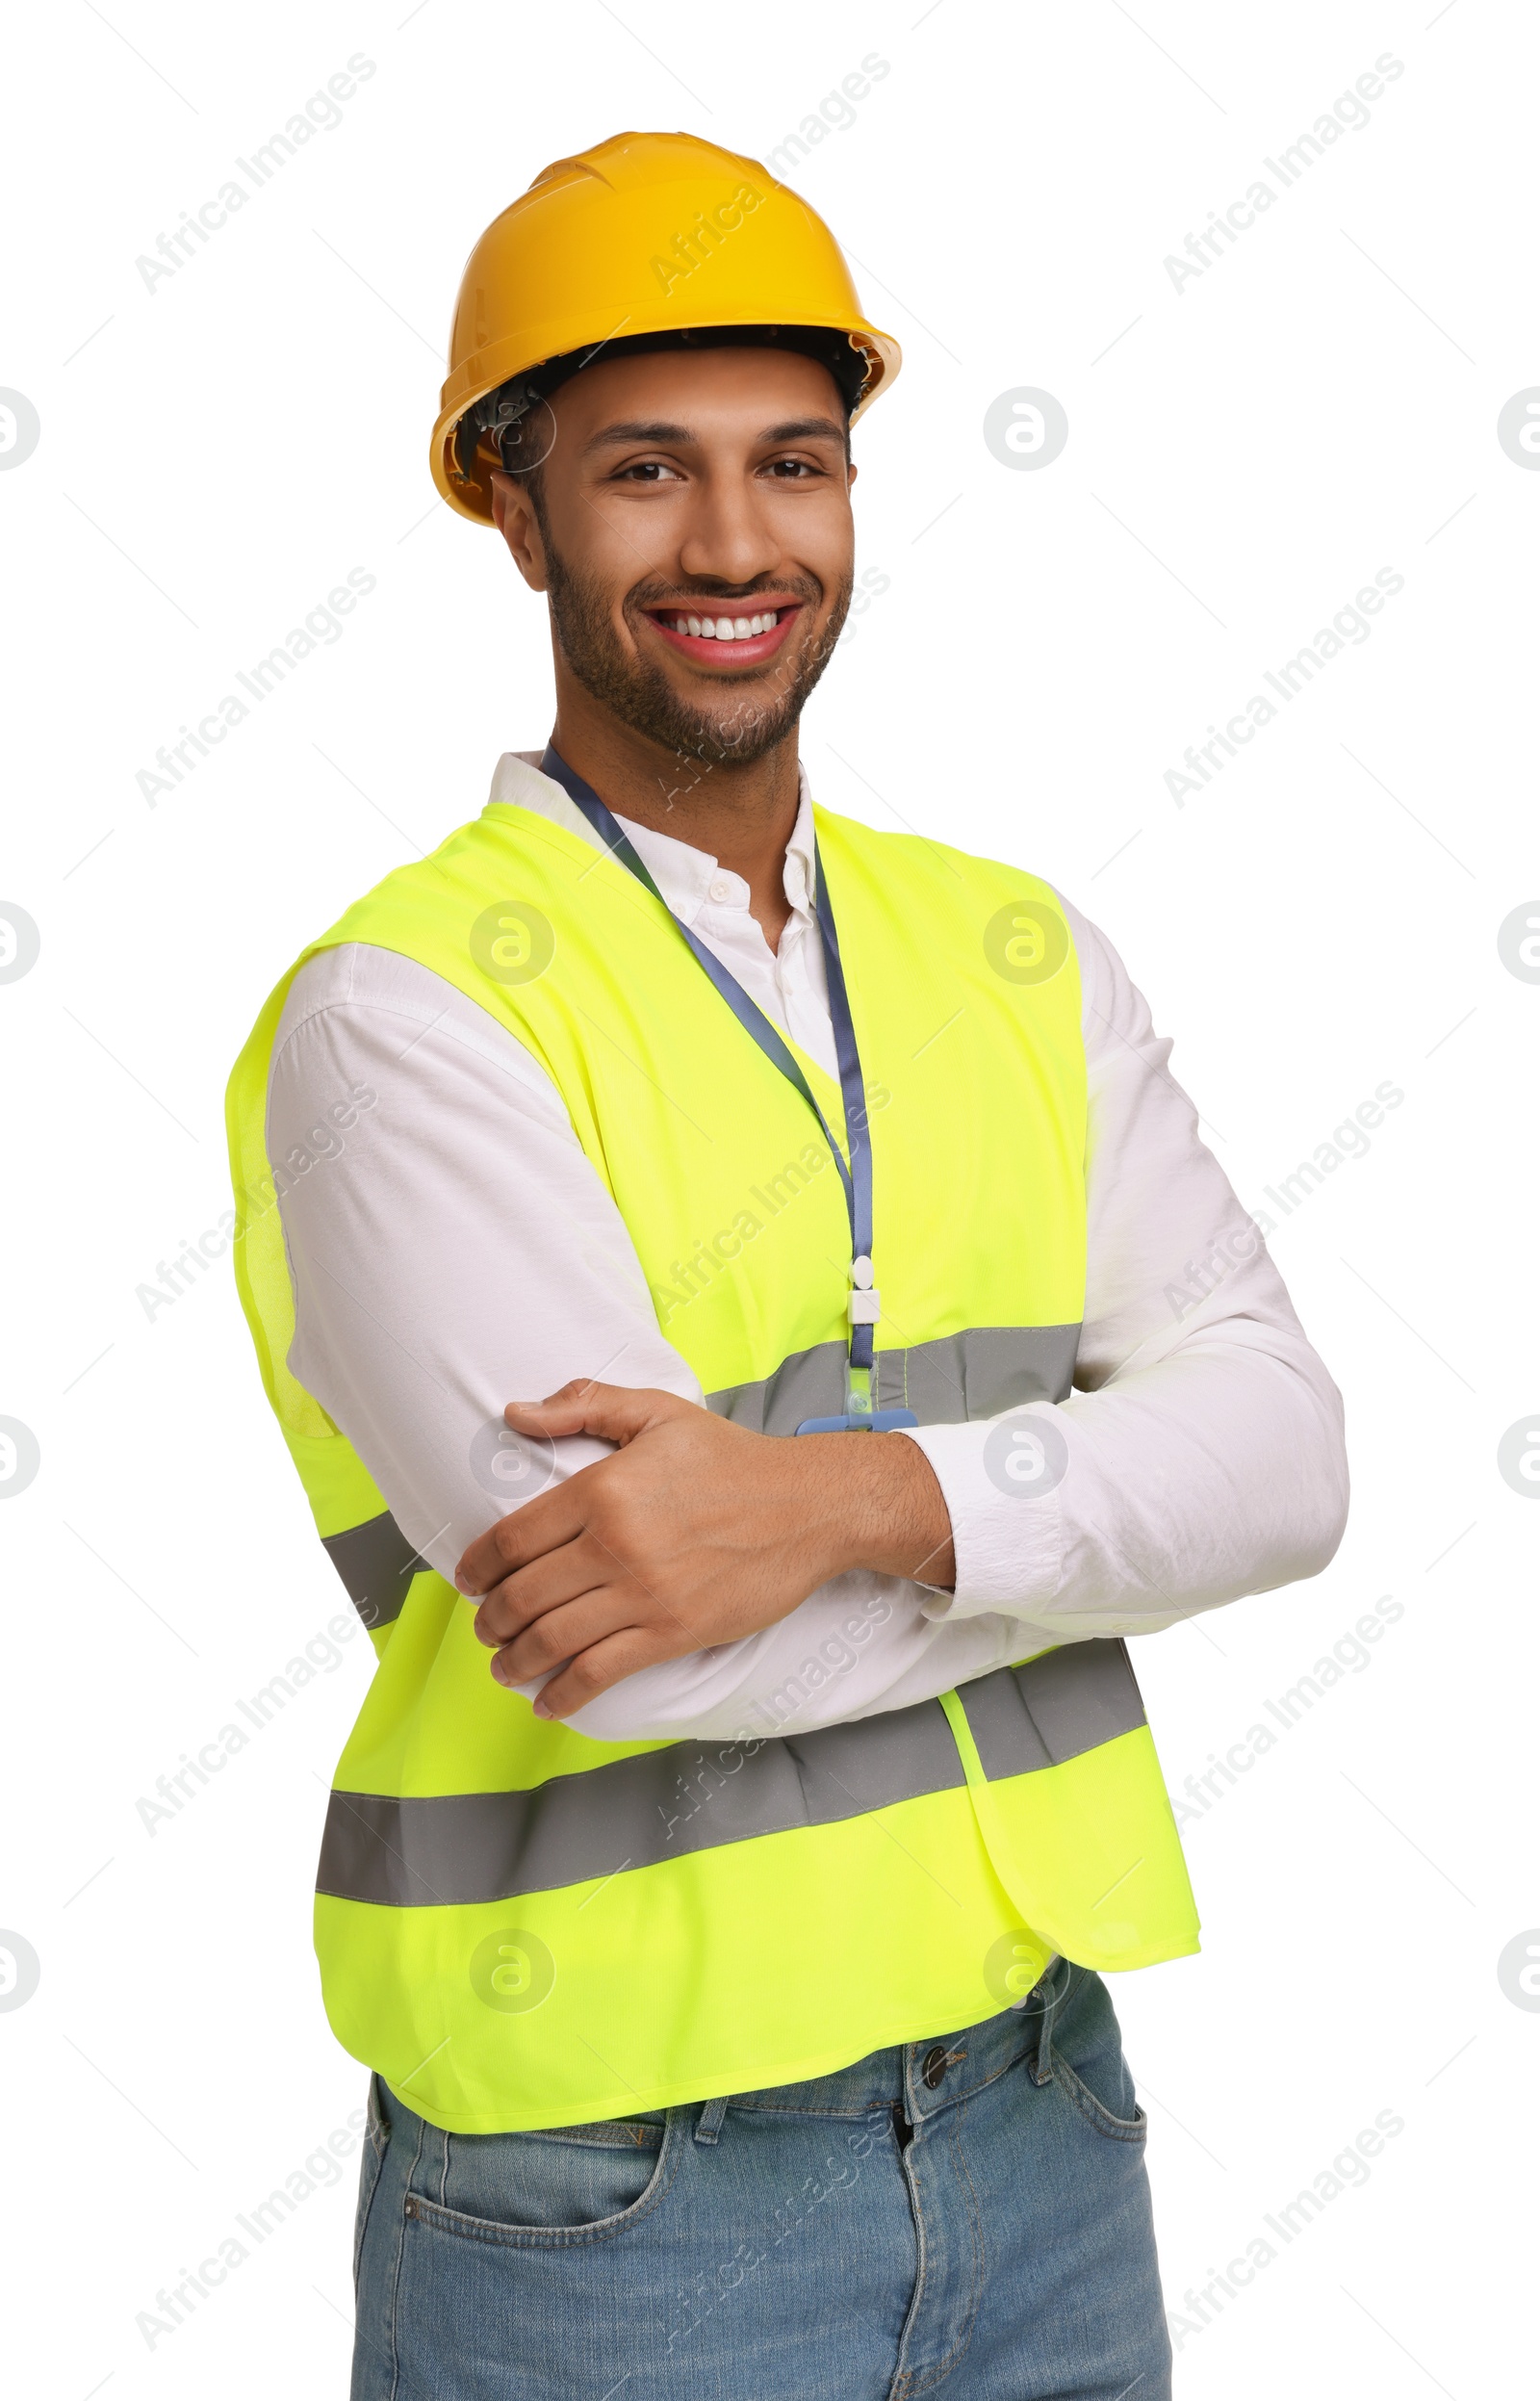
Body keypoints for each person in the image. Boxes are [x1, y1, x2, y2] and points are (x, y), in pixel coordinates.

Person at [225, 131, 1348, 2401]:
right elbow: (628, 1654)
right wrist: (1099, 1514)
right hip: (609, 2195)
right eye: (645, 470)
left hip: (1041, 2116)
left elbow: (1288, 1459)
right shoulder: (408, 1013)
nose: (735, 545)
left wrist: (838, 1505)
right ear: (514, 508)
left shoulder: (1010, 947)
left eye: (793, 464)